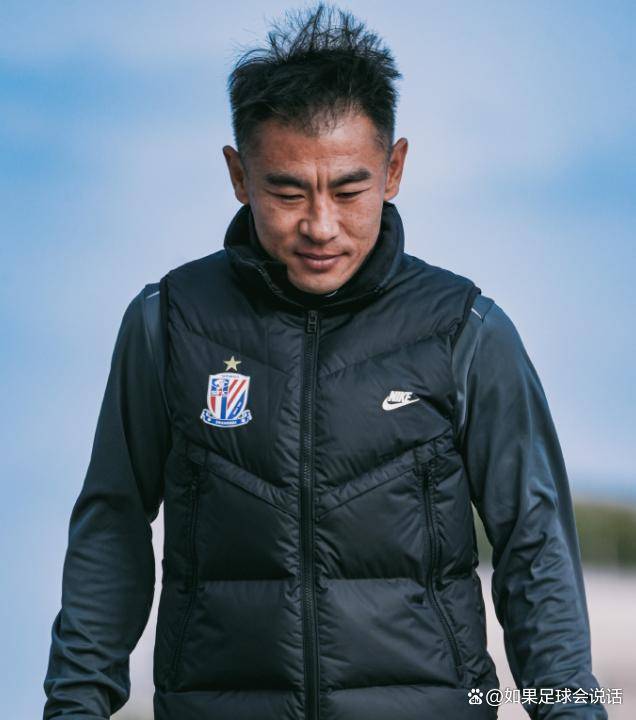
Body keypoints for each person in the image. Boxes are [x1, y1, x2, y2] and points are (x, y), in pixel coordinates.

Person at [42, 4, 607, 719]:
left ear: (394, 169)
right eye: (286, 191)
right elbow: (112, 526)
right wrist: (73, 707)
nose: (320, 224)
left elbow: (534, 545)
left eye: (348, 190)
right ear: (238, 174)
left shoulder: (464, 330)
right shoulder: (169, 322)